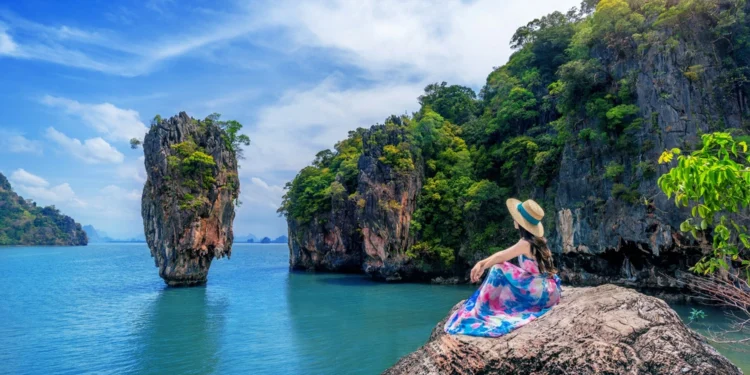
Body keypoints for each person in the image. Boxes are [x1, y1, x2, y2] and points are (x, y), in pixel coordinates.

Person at [444, 198, 562, 337]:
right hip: (549, 288)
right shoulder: (537, 240)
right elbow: (502, 255)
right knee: (500, 266)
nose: (514, 219)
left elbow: (502, 256)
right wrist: (482, 263)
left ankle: (483, 309)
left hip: (540, 293)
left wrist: (482, 265)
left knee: (497, 268)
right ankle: (488, 305)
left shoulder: (525, 243)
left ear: (521, 223)